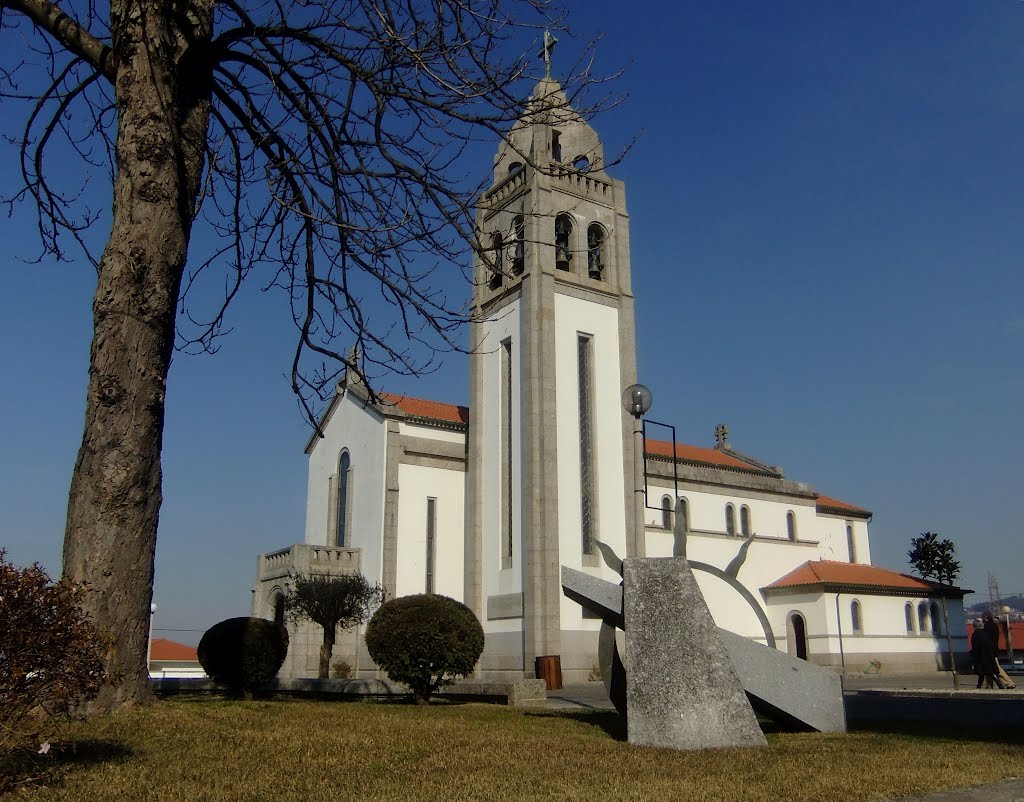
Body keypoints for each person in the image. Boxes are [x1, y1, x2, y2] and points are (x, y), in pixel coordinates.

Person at [983, 611, 1017, 690]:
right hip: (994, 649)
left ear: (986, 617)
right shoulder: (994, 626)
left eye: (983, 617)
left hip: (990, 651)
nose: (982, 619)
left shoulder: (987, 626)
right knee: (989, 668)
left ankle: (1009, 683)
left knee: (996, 668)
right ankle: (989, 685)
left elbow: (987, 640)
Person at [972, 617, 1005, 690]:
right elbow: (990, 644)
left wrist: (973, 656)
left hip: (980, 657)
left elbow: (975, 647)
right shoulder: (986, 634)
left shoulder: (975, 635)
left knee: (982, 674)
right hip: (988, 656)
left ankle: (978, 687)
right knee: (989, 673)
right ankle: (1000, 685)